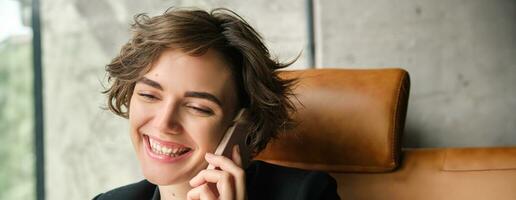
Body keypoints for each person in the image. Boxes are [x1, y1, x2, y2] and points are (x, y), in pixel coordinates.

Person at [94, 7, 340, 200]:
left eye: (198, 108)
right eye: (149, 95)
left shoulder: (306, 193)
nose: (164, 123)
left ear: (243, 124)